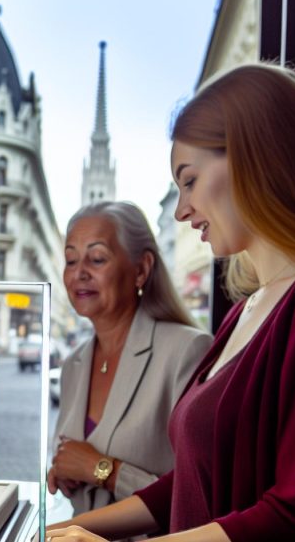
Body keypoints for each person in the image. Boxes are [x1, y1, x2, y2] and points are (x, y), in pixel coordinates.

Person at [45, 63, 295, 541]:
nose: (181, 210)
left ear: (255, 158)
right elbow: (191, 485)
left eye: (189, 180)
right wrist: (68, 528)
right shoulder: (246, 311)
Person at [49, 202, 211, 526]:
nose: (79, 272)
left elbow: (202, 496)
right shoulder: (73, 365)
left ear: (141, 269)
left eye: (97, 259)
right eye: (70, 259)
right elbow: (77, 466)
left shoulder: (187, 351)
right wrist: (66, 475)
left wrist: (102, 470)